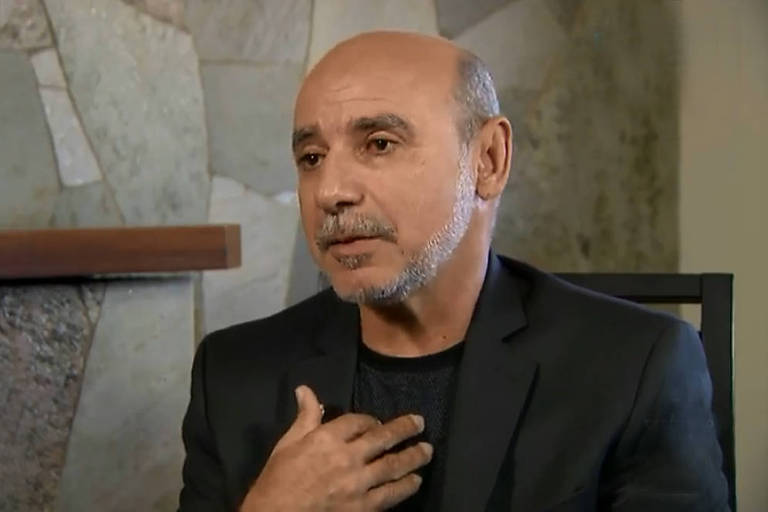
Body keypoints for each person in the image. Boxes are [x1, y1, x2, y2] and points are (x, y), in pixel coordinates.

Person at [178, 31, 729, 512]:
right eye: (312, 158)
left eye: (379, 144)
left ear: (488, 160)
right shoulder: (232, 376)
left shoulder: (633, 367)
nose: (331, 191)